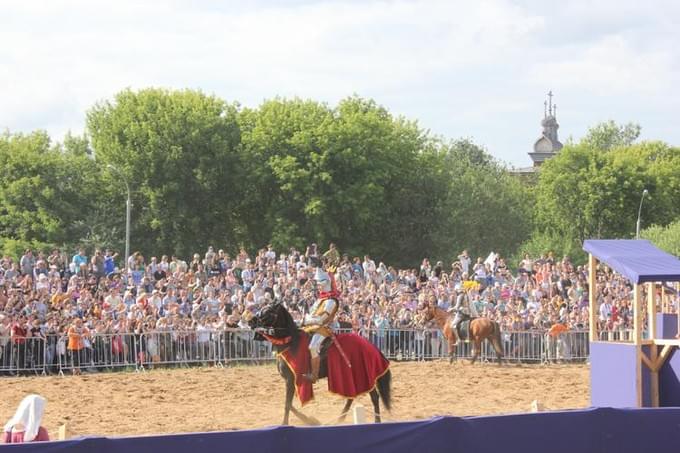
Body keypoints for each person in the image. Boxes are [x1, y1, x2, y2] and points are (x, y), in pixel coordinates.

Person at [300, 256, 340, 383]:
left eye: (319, 284)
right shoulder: (320, 299)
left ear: (326, 283)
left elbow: (320, 320)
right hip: (313, 326)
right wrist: (305, 317)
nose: (318, 287)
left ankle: (314, 375)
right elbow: (312, 314)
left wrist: (306, 320)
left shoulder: (331, 301)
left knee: (313, 346)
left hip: (325, 328)